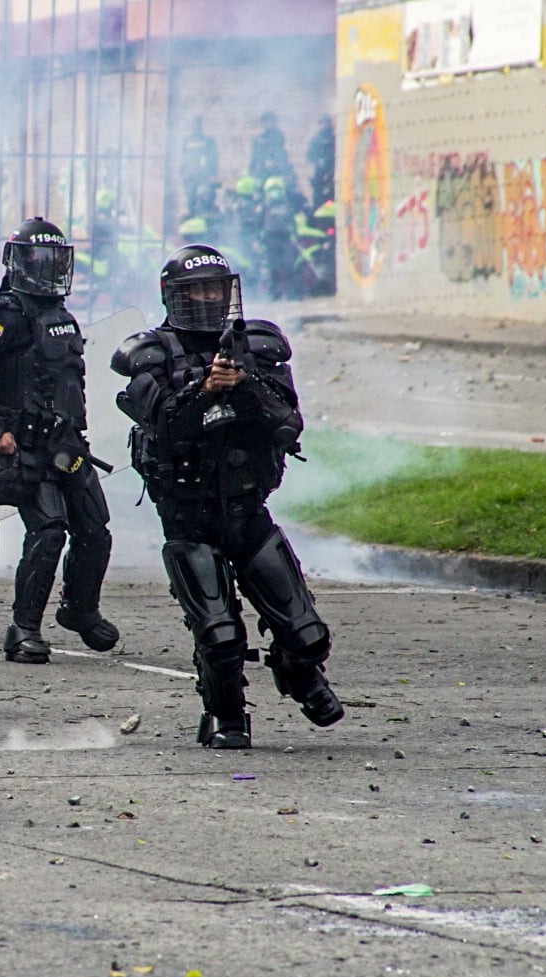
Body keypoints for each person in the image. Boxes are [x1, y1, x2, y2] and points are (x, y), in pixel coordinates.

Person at [110, 244, 343, 748]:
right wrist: (206, 392)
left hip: (246, 509)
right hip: (189, 517)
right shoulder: (149, 355)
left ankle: (299, 674)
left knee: (307, 633)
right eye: (195, 290)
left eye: (214, 288)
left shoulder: (255, 346)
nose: (207, 298)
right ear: (172, 295)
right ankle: (226, 715)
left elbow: (287, 425)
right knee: (219, 636)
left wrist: (245, 386)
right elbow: (167, 429)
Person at [0, 217, 116, 663]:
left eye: (53, 260)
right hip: (24, 447)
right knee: (49, 531)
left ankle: (80, 610)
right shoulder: (1, 316)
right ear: (17, 263)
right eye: (37, 260)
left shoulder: (62, 314)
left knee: (95, 530)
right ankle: (23, 629)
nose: (46, 269)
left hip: (68, 445)